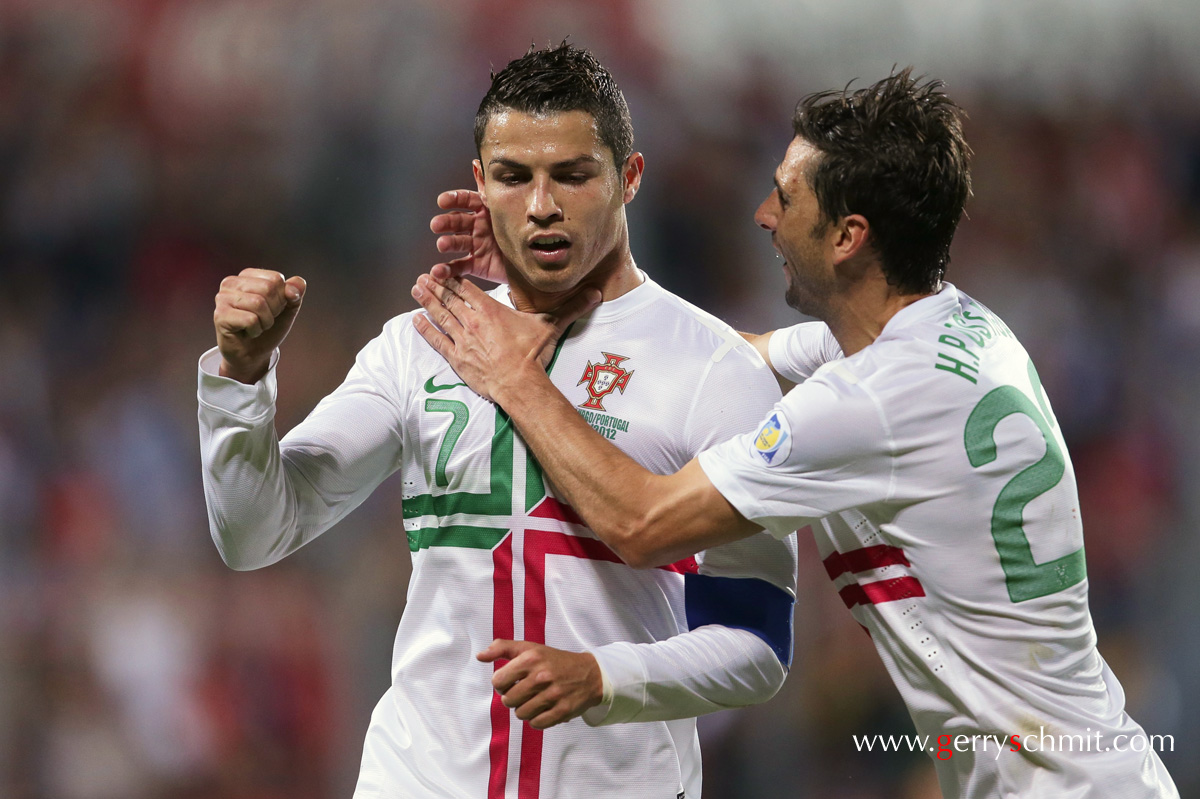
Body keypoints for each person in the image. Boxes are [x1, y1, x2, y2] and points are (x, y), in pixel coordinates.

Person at [411, 69, 1179, 798]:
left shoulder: (868, 400)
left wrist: (516, 377)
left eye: (787, 197)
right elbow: (716, 354)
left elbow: (640, 523)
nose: (764, 215)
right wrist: (562, 276)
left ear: (847, 236)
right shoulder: (954, 331)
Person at [198, 43, 798, 799]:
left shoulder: (714, 369)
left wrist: (607, 676)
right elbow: (254, 533)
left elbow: (756, 645)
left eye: (573, 175)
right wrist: (242, 383)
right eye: (515, 177)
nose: (542, 204)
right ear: (481, 185)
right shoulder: (418, 346)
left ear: (630, 178)